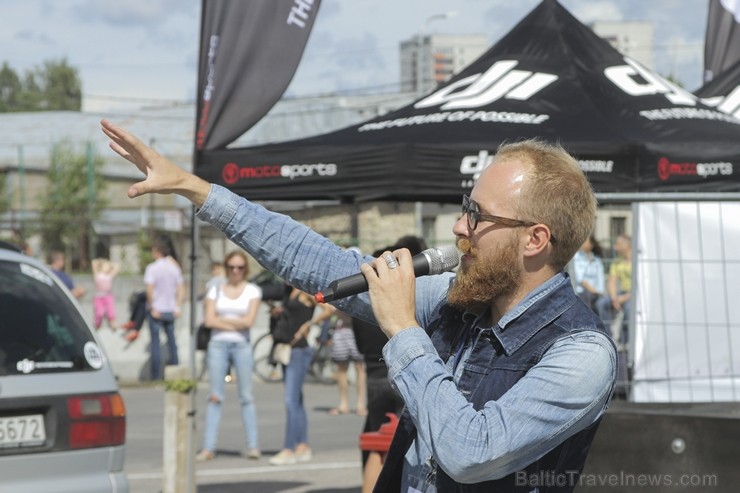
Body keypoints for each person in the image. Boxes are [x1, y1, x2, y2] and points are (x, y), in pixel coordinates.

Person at [102, 120, 617, 491]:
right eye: (465, 208)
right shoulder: (461, 302)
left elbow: (471, 451)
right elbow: (322, 262)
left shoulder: (581, 353)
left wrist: (404, 330)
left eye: (477, 216)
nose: (460, 227)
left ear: (535, 240)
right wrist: (199, 191)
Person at [353, 237, 426, 493]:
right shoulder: (409, 296)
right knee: (412, 445)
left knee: (377, 444)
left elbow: (359, 343)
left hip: (374, 377)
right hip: (403, 376)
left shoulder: (362, 300)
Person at [195, 250, 262, 461]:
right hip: (218, 345)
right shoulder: (215, 289)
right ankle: (208, 447)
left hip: (241, 346)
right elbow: (209, 321)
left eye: (240, 267)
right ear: (226, 268)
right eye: (231, 267)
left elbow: (249, 322)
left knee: (246, 397)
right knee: (215, 396)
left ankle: (253, 446)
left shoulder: (252, 290)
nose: (235, 271)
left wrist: (222, 319)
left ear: (245, 269)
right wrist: (236, 322)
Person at [268, 286, 335, 466]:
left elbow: (328, 310)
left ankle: (289, 448)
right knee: (296, 400)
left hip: (299, 350)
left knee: (291, 400)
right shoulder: (288, 291)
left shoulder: (305, 290)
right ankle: (303, 446)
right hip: (288, 349)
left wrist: (310, 324)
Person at [144, 235, 184, 381]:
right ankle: (176, 372)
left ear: (156, 251)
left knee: (156, 343)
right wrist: (178, 306)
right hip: (170, 309)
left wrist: (152, 306)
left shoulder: (152, 268)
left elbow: (149, 289)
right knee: (172, 342)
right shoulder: (174, 267)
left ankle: (155, 376)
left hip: (157, 309)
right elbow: (181, 288)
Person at [327, 310, 367, 417]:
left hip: (358, 328)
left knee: (360, 367)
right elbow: (327, 308)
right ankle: (344, 404)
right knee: (342, 368)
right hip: (342, 328)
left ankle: (360, 404)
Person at [596, 234, 632, 347]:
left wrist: (625, 297)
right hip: (623, 292)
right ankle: (609, 337)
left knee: (629, 308)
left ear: (627, 246)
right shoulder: (617, 261)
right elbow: (612, 280)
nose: (615, 247)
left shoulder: (638, 260)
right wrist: (614, 297)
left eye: (618, 245)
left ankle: (624, 341)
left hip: (636, 294)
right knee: (601, 304)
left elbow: (641, 285)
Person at [570, 235, 606, 313]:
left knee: (603, 304)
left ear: (591, 245)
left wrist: (599, 291)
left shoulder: (596, 260)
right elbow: (581, 279)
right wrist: (593, 291)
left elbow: (600, 278)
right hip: (582, 291)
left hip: (595, 292)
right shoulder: (576, 258)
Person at [91, 257, 120, 330]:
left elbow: (117, 266)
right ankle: (97, 324)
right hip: (99, 297)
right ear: (101, 267)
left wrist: (110, 265)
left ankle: (112, 323)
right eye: (106, 266)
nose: (108, 268)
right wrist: (100, 263)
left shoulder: (109, 276)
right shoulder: (97, 275)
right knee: (99, 312)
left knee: (111, 311)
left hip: (108, 296)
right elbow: (94, 262)